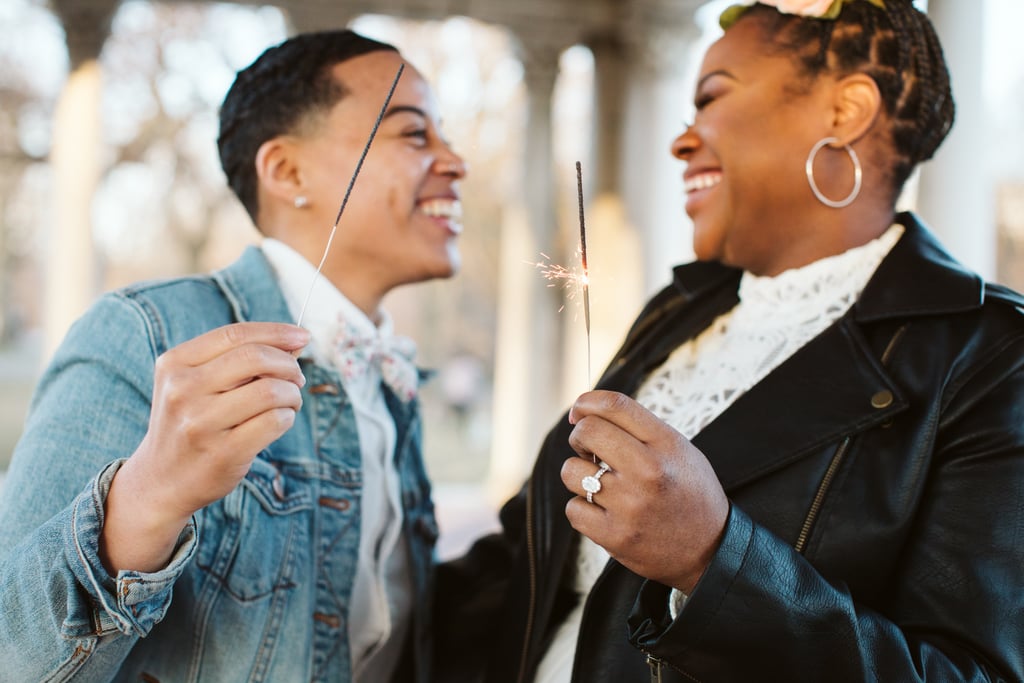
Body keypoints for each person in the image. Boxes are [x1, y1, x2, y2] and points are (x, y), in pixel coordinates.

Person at [435, 1, 1024, 681]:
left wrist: (715, 559)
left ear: (846, 111)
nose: (681, 141)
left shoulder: (988, 358)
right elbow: (522, 562)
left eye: (711, 97)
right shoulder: (680, 311)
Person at [0, 29, 466, 682]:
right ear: (287, 171)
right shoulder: (144, 334)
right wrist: (146, 498)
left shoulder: (393, 382)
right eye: (416, 134)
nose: (457, 161)